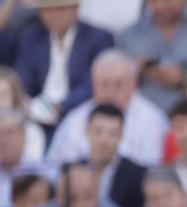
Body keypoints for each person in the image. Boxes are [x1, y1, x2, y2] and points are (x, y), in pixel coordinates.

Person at [47, 49, 168, 167]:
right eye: (104, 84)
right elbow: (53, 167)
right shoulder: (74, 120)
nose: (110, 92)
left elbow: (153, 172)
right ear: (93, 85)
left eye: (118, 84)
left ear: (133, 84)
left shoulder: (152, 121)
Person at [13, 0, 114, 133]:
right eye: (48, 9)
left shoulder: (97, 38)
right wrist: (27, 102)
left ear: (75, 9)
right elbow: (22, 78)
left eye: (60, 9)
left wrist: (60, 106)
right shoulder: (32, 37)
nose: (54, 15)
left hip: (78, 115)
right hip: (34, 116)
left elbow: (93, 84)